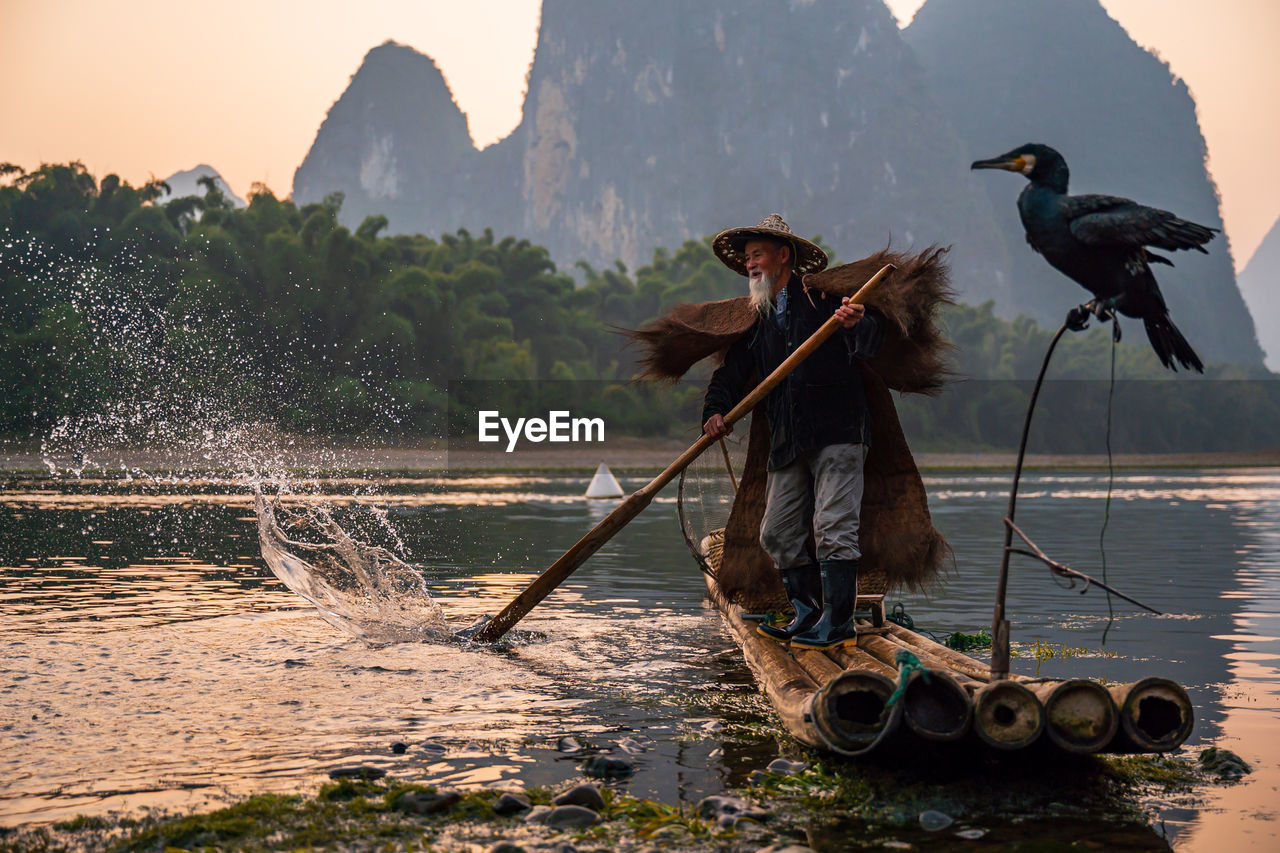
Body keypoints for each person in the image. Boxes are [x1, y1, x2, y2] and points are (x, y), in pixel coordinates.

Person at [701, 214, 883, 649]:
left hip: (838, 431)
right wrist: (715, 410)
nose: (750, 265)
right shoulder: (760, 318)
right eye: (746, 259)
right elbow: (732, 373)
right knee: (777, 533)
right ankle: (808, 613)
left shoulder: (825, 301)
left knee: (833, 526)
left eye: (757, 255)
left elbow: (873, 342)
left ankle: (838, 624)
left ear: (784, 256)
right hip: (788, 439)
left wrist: (858, 322)